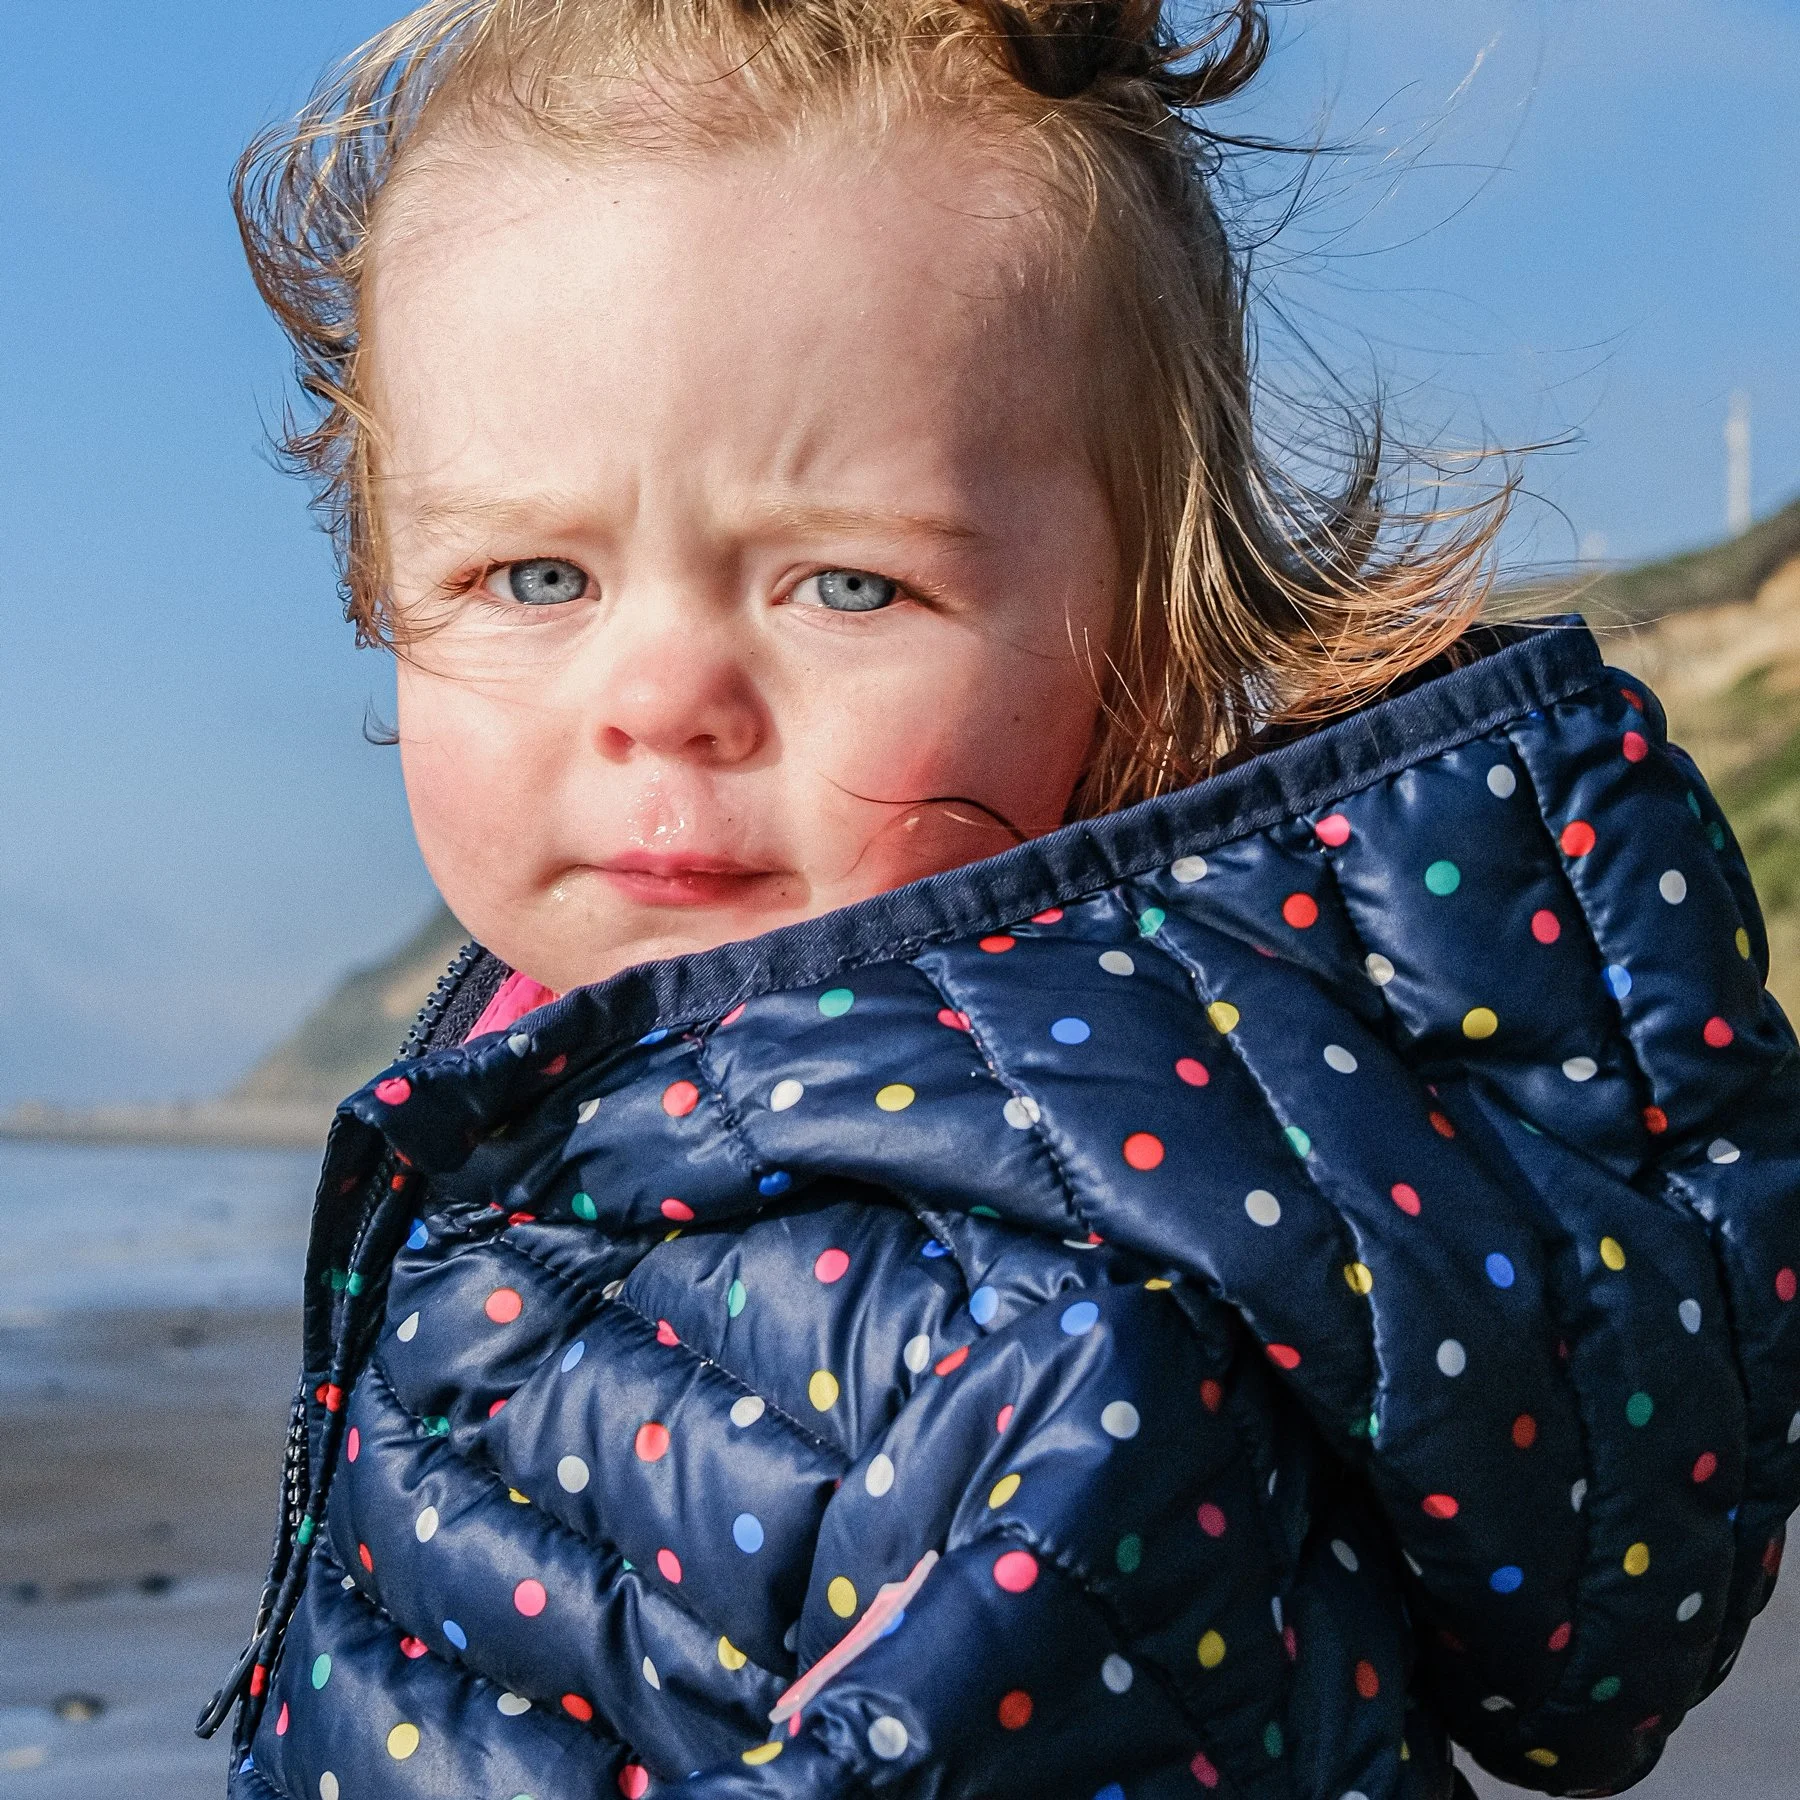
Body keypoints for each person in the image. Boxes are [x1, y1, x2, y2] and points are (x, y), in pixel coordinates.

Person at [200, 4, 1800, 1797]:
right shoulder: (573, 1103)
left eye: (849, 585)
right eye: (536, 571)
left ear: (1149, 658)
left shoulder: (1034, 1364)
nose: (658, 696)